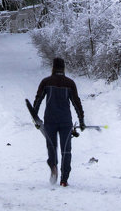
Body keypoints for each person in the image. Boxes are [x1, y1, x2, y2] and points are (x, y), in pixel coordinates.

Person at [32, 57, 85, 187]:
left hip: (50, 120)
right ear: (64, 68)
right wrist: (81, 120)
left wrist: (35, 117)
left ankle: (53, 164)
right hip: (66, 121)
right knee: (66, 150)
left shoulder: (46, 82)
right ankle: (64, 179)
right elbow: (76, 103)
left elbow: (38, 99)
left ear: (53, 68)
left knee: (51, 146)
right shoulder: (70, 83)